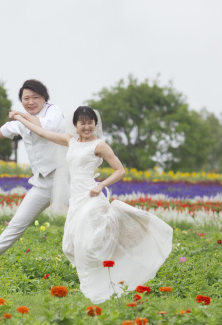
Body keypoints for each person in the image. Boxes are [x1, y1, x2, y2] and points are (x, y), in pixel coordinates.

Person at [11, 106, 173, 303]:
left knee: (88, 243)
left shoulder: (99, 145)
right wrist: (20, 117)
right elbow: (42, 132)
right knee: (69, 246)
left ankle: (96, 286)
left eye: (90, 122)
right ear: (76, 124)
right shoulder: (70, 140)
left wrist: (101, 185)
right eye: (82, 122)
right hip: (76, 199)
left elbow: (120, 170)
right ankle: (101, 277)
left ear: (95, 124)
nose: (86, 126)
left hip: (91, 197)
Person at [0, 79, 66, 278]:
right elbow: (8, 129)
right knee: (17, 223)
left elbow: (46, 126)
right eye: (26, 98)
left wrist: (21, 116)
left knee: (90, 217)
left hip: (65, 179)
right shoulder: (23, 119)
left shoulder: (53, 111)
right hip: (42, 182)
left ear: (44, 98)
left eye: (35, 98)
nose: (30, 102)